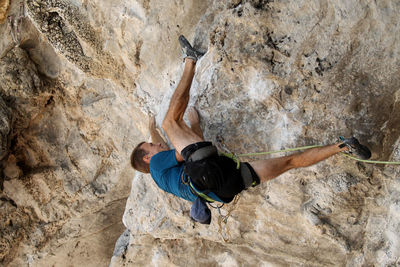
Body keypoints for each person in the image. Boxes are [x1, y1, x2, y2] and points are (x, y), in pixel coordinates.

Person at [130, 35, 371, 224]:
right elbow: (187, 151)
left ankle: (343, 146)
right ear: (148, 157)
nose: (158, 144)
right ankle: (190, 60)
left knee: (291, 162)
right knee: (169, 123)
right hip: (206, 171)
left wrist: (191, 126)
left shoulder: (167, 179)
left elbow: (197, 152)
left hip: (227, 187)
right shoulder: (156, 165)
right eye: (151, 146)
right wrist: (185, 125)